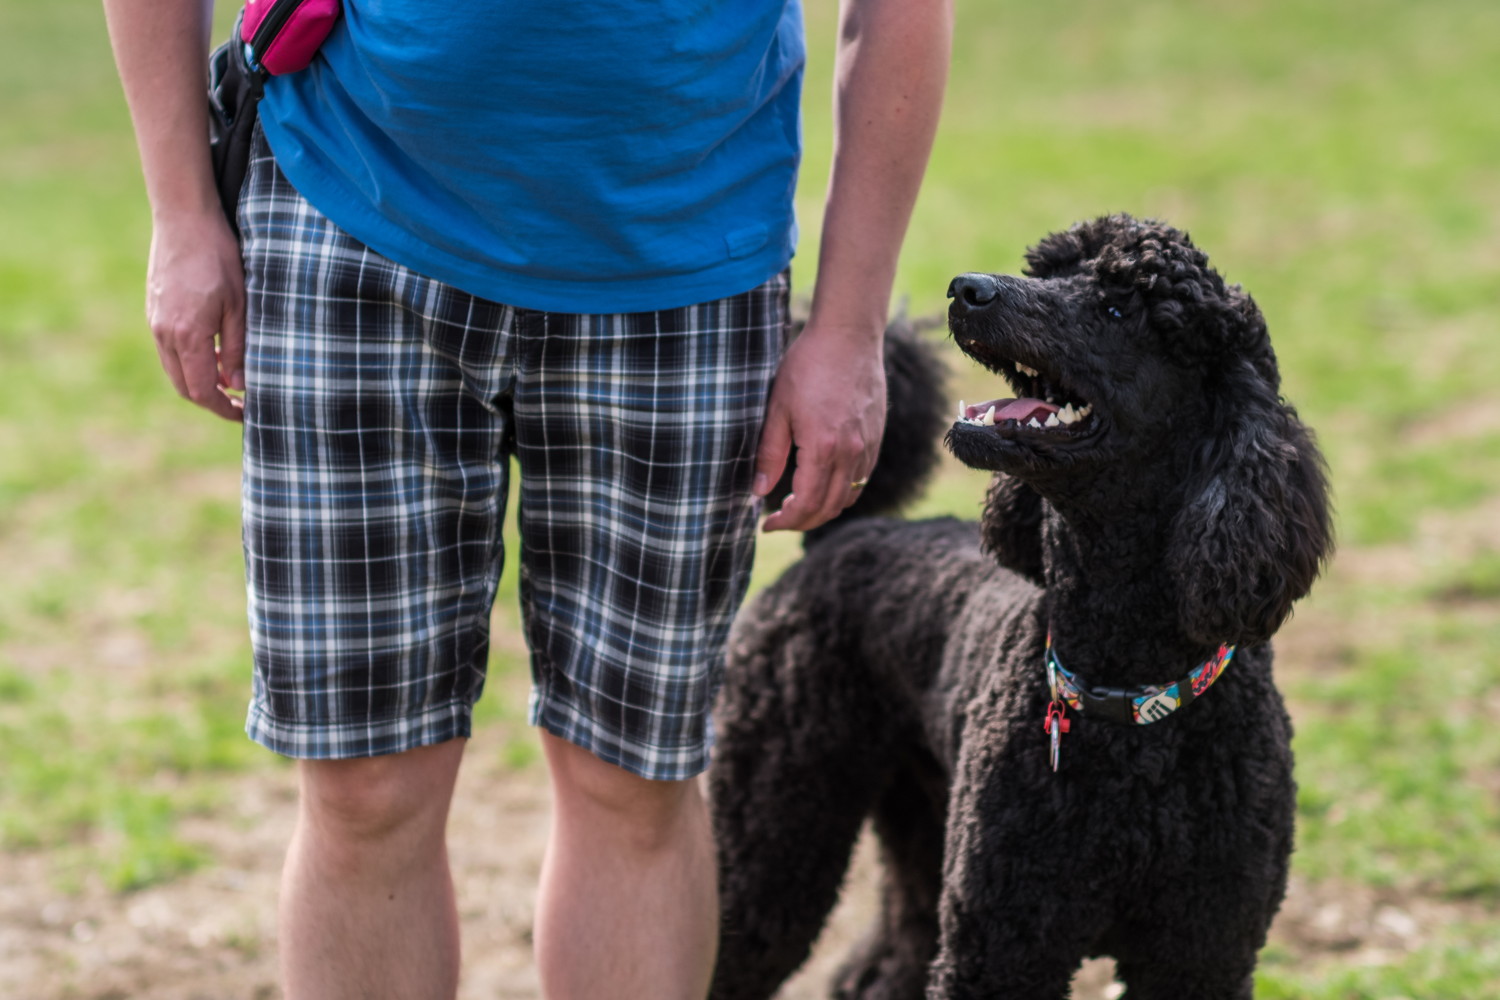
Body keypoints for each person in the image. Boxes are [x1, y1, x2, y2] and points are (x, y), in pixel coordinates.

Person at [101, 1, 952, 997]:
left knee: (631, 780)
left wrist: (849, 326)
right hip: (352, 211)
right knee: (364, 781)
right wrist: (181, 209)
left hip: (685, 264)